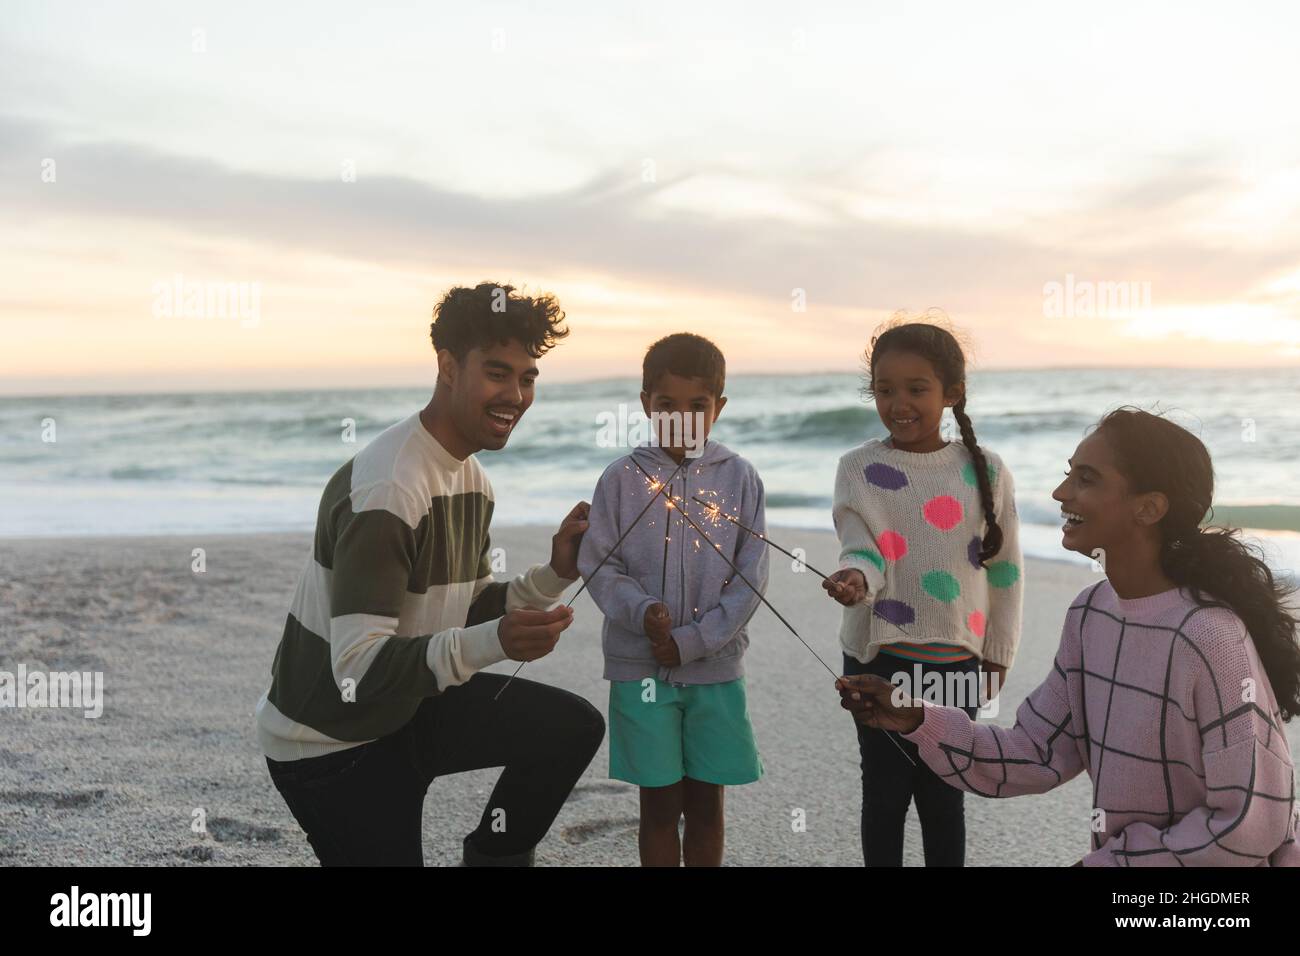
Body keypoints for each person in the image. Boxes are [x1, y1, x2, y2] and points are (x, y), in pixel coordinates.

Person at [839, 407, 1300, 866]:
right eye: (1068, 475)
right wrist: (915, 718)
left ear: (1149, 507)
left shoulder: (1210, 638)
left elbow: (1249, 826)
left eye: (1086, 479)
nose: (1061, 493)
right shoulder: (1090, 614)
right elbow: (1036, 752)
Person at [255, 281, 605, 866]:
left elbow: (460, 610)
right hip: (330, 744)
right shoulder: (392, 485)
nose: (515, 395)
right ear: (447, 366)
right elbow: (358, 670)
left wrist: (552, 575)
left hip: (409, 706)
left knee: (570, 728)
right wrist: (497, 640)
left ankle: (491, 859)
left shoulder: (472, 480)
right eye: (497, 373)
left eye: (527, 378)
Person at [823, 313, 1023, 866]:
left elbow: (1005, 571)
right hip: (879, 657)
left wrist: (999, 653)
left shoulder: (985, 470)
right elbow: (861, 544)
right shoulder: (859, 468)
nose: (899, 403)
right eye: (884, 390)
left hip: (957, 665)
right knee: (884, 799)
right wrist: (856, 579)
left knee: (944, 799)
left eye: (917, 389)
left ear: (951, 393)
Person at [577, 333, 767, 866]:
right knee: (659, 807)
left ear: (719, 408)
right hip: (639, 672)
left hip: (716, 671)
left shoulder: (741, 478)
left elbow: (751, 577)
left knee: (707, 805)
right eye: (666, 405)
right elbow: (599, 563)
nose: (681, 418)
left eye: (698, 406)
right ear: (645, 404)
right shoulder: (620, 479)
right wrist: (644, 612)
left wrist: (691, 641)